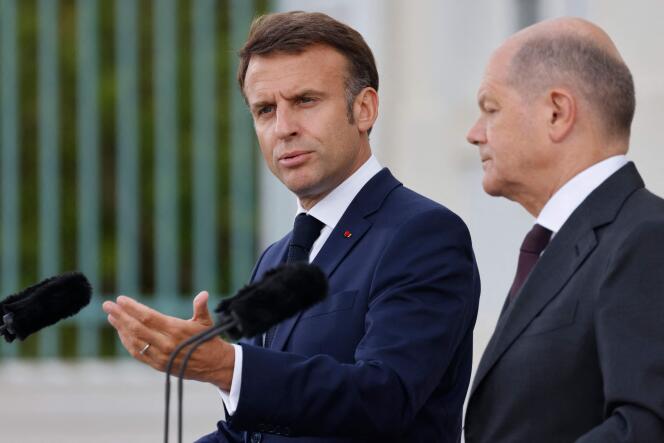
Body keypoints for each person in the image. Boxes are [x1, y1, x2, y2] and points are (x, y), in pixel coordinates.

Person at [103, 11, 480, 442]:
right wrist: (231, 373)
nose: (283, 128)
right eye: (265, 110)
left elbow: (383, 398)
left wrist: (228, 366)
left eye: (305, 100)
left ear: (364, 109)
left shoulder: (424, 234)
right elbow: (252, 433)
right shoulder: (277, 257)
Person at [464, 17, 664, 442]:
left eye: (490, 108)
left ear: (557, 113)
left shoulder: (647, 238)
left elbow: (648, 425)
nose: (473, 134)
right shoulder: (559, 245)